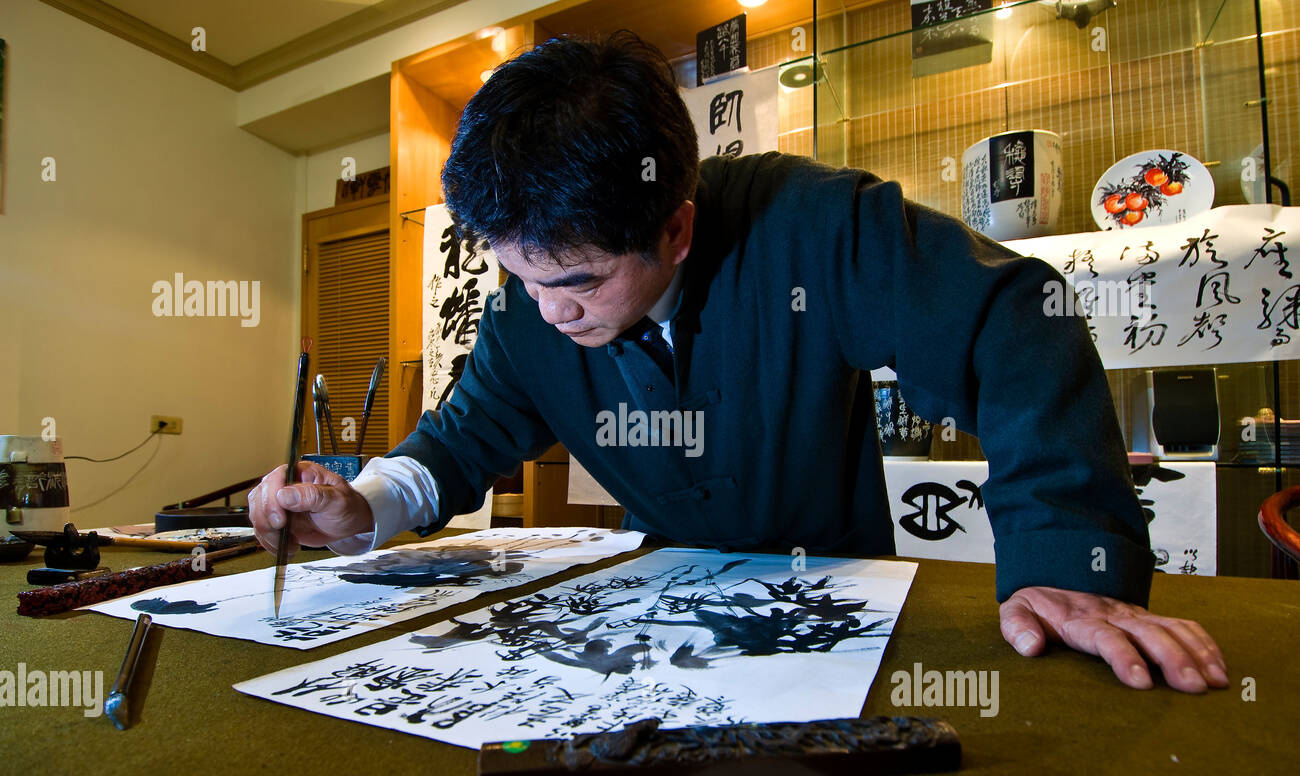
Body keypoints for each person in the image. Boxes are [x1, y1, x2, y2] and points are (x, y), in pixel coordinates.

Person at [250, 32, 1226, 694]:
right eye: (522, 276)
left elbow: (1017, 316)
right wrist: (365, 500)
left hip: (841, 612)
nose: (550, 311)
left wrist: (1067, 554)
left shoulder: (810, 226)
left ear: (674, 225)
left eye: (580, 281)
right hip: (661, 626)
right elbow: (460, 441)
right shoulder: (530, 310)